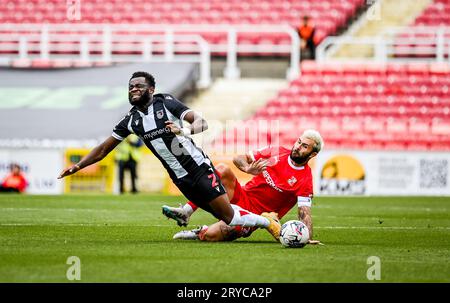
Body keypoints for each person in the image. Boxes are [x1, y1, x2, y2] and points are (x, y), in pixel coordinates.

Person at [58, 71, 281, 240]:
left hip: (198, 168)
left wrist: (182, 130)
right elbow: (103, 149)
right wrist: (78, 166)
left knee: (230, 217)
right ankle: (190, 216)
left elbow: (201, 123)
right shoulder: (131, 120)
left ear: (151, 89)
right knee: (225, 218)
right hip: (180, 178)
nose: (133, 89)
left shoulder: (165, 102)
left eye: (139, 86)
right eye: (130, 87)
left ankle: (267, 221)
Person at [162, 129, 323, 243]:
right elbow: (239, 158)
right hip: (241, 195)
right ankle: (186, 212)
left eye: (304, 146)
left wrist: (306, 237)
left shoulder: (305, 180)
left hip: (256, 216)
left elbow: (304, 214)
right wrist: (247, 168)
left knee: (212, 235)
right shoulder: (276, 151)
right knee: (222, 169)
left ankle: (200, 231)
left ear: (313, 154)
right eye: (299, 142)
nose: (297, 146)